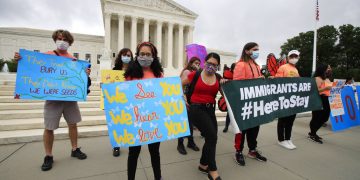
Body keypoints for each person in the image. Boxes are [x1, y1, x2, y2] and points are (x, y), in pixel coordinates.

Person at [14, 29, 91, 171]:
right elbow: (31, 68)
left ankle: (74, 149)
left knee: (73, 124)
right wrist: (21, 59)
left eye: (65, 40)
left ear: (69, 42)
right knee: (49, 128)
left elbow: (79, 80)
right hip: (52, 98)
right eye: (60, 38)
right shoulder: (47, 56)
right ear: (55, 39)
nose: (62, 41)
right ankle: (48, 155)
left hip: (69, 99)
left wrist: (85, 73)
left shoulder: (73, 60)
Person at [182, 52, 226, 180]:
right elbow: (179, 84)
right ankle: (212, 170)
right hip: (196, 109)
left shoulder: (218, 77)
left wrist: (224, 84)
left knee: (212, 138)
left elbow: (224, 94)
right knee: (212, 136)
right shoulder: (195, 74)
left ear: (218, 66)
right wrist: (183, 97)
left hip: (210, 110)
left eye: (215, 65)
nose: (211, 66)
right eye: (209, 63)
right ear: (204, 62)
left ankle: (203, 164)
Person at [124, 42, 163, 180]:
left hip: (153, 120)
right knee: (133, 153)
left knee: (155, 153)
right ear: (137, 56)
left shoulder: (159, 74)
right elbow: (123, 95)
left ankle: (158, 177)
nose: (145, 57)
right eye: (142, 54)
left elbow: (163, 94)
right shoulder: (129, 74)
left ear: (153, 57)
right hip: (136, 120)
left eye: (148, 54)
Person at [232, 42, 267, 166]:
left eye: (258, 49)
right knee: (242, 129)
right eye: (255, 49)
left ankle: (252, 150)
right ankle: (238, 151)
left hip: (256, 103)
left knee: (254, 128)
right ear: (247, 51)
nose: (257, 51)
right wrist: (255, 80)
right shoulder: (240, 65)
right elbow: (237, 84)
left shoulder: (256, 66)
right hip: (244, 104)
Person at [275, 50, 301, 150]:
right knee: (283, 120)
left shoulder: (296, 69)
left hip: (293, 99)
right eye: (292, 56)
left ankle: (288, 138)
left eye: (296, 56)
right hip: (284, 98)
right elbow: (278, 82)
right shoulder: (283, 67)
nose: (294, 58)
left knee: (290, 120)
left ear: (298, 58)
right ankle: (281, 140)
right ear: (288, 57)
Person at [111, 48, 134, 157]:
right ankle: (116, 146)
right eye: (124, 55)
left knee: (131, 123)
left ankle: (132, 144)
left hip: (130, 100)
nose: (126, 57)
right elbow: (110, 84)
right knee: (117, 125)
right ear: (120, 56)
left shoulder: (134, 70)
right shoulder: (115, 70)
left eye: (129, 55)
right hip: (118, 101)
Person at [177, 57, 201, 155]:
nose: (197, 65)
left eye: (199, 63)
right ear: (191, 63)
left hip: (192, 101)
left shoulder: (196, 73)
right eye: (196, 63)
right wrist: (183, 99)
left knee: (190, 123)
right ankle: (180, 144)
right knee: (184, 124)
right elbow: (181, 86)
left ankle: (190, 142)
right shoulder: (187, 72)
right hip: (185, 100)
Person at [308, 64, 333, 144]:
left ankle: (313, 132)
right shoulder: (318, 78)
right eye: (328, 68)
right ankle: (312, 133)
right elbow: (315, 91)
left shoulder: (326, 78)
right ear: (323, 69)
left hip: (326, 99)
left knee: (325, 117)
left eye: (329, 68)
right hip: (319, 99)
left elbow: (329, 88)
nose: (329, 69)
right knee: (317, 117)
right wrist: (325, 88)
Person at [222, 63, 235, 133]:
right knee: (229, 112)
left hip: (237, 96)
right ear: (232, 69)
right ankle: (226, 126)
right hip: (230, 95)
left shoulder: (239, 74)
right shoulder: (228, 74)